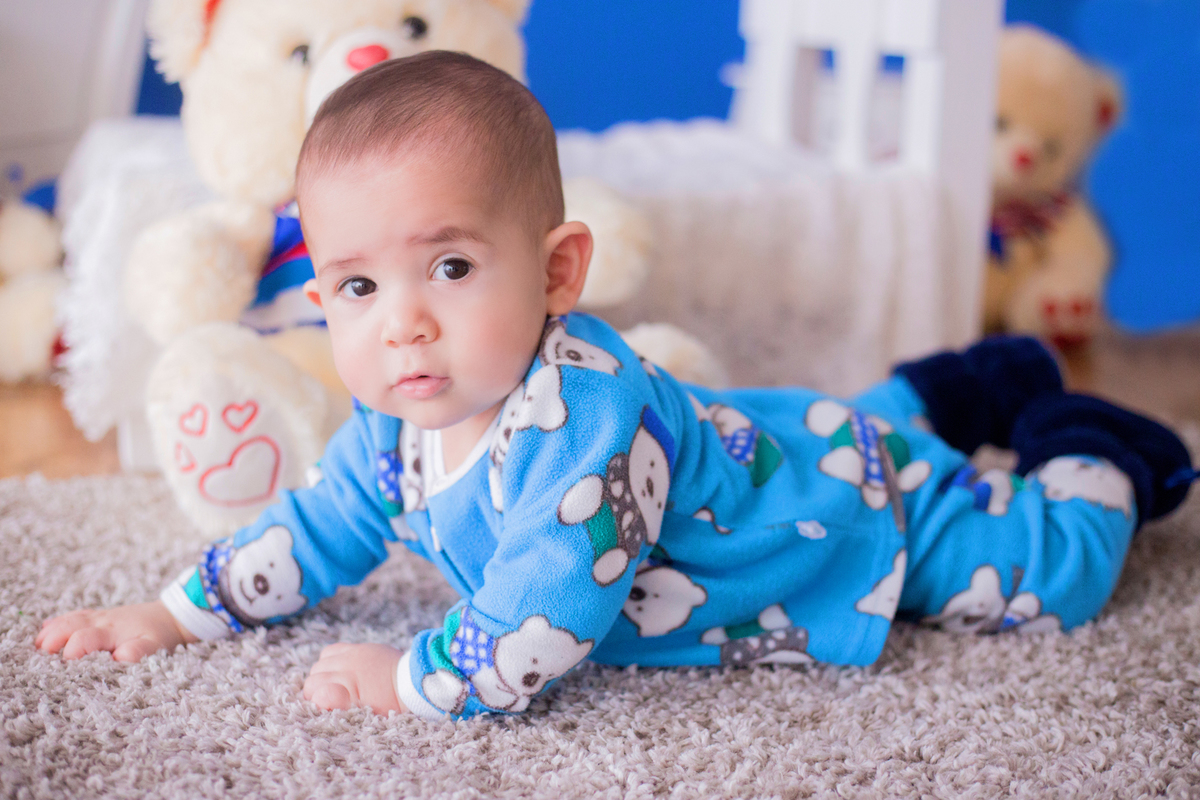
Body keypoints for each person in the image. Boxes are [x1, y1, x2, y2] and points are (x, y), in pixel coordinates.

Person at [36, 52, 1197, 721]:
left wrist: (407, 678)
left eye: (448, 265)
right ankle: (947, 390)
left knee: (1043, 579)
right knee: (815, 428)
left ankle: (1078, 436)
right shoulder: (403, 412)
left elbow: (539, 620)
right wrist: (171, 611)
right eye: (353, 286)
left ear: (557, 270)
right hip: (784, 442)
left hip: (849, 523)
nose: (404, 324)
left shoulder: (579, 422)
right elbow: (322, 525)